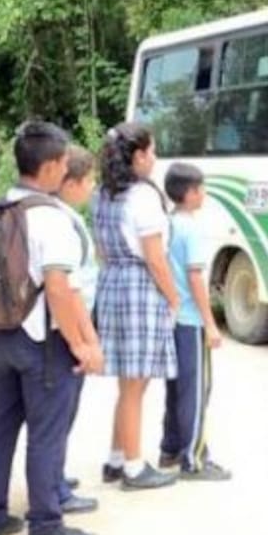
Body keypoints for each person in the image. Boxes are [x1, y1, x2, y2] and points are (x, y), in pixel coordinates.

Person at [0, 121, 103, 535]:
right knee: (47, 433)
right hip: (41, 344)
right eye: (64, 162)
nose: (66, 169)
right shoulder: (49, 218)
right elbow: (61, 290)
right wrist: (83, 344)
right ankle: (45, 526)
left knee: (0, 427)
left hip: (0, 336)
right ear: (48, 167)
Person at [94, 122, 180, 490]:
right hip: (140, 288)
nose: (155, 158)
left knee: (129, 383)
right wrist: (173, 297)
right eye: (152, 151)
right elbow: (155, 258)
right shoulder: (143, 196)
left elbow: (100, 248)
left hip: (112, 282)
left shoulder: (102, 192)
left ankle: (116, 458)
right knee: (135, 385)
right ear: (139, 155)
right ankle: (132, 466)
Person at [159, 162, 232, 480]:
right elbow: (196, 277)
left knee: (176, 387)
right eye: (201, 189)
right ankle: (194, 458)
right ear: (189, 194)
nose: (203, 194)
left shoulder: (170, 224)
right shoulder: (191, 228)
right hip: (189, 319)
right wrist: (211, 323)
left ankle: (170, 448)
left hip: (172, 318)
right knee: (197, 389)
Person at [53, 145, 102, 515]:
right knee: (58, 413)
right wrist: (85, 341)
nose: (92, 187)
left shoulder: (58, 215)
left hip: (60, 328)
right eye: (89, 180)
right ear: (69, 183)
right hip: (63, 332)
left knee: (60, 413)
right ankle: (53, 489)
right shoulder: (62, 221)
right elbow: (69, 290)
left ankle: (53, 475)